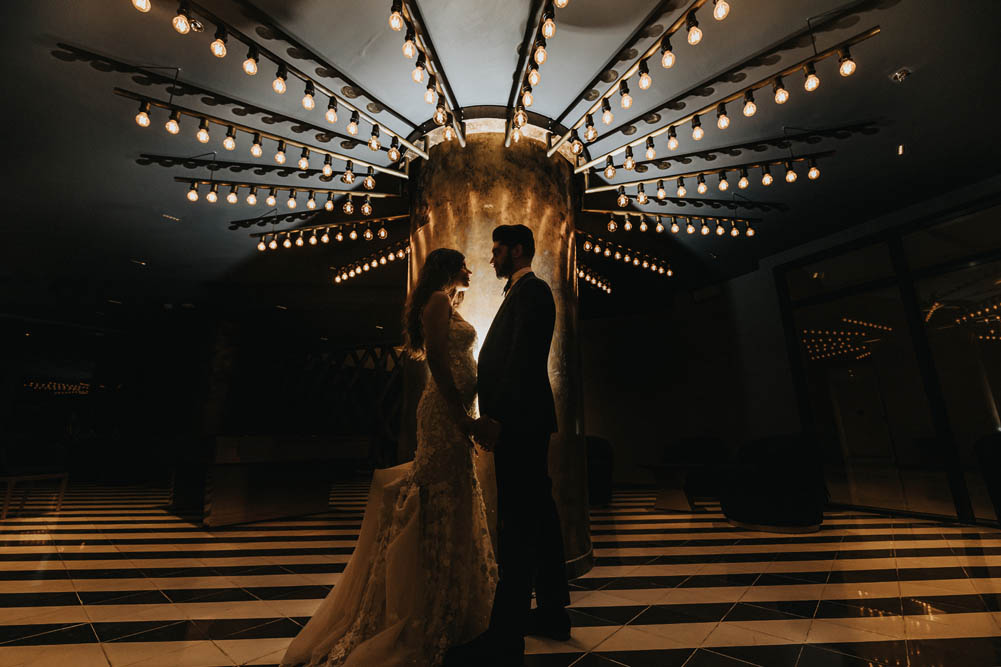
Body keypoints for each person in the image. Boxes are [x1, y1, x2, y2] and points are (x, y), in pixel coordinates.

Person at [281, 248, 498, 667]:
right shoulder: (438, 300)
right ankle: (429, 599)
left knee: (452, 493)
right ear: (449, 269)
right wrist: (461, 415)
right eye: (464, 265)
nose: (470, 270)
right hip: (444, 412)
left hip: (453, 411)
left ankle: (446, 596)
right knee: (438, 495)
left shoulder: (447, 303)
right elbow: (436, 358)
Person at [445, 224, 571, 667]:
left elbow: (521, 363)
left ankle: (505, 638)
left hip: (518, 422)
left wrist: (497, 418)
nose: (492, 258)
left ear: (516, 250)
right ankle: (554, 614)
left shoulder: (532, 293)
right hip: (524, 421)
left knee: (516, 525)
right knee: (540, 515)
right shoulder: (520, 293)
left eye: (498, 250)